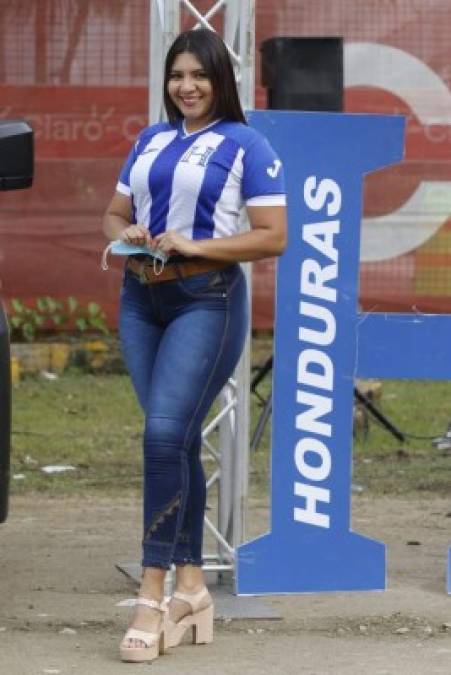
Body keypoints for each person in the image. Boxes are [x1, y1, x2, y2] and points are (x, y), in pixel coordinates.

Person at [103, 27, 287, 663]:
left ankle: (151, 596)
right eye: (178, 75)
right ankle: (191, 587)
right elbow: (111, 213)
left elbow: (272, 237)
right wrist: (126, 227)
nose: (187, 86)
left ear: (221, 81)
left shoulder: (246, 144)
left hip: (206, 299)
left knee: (161, 438)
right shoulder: (150, 139)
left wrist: (194, 246)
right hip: (139, 300)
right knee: (172, 437)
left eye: (200, 76)